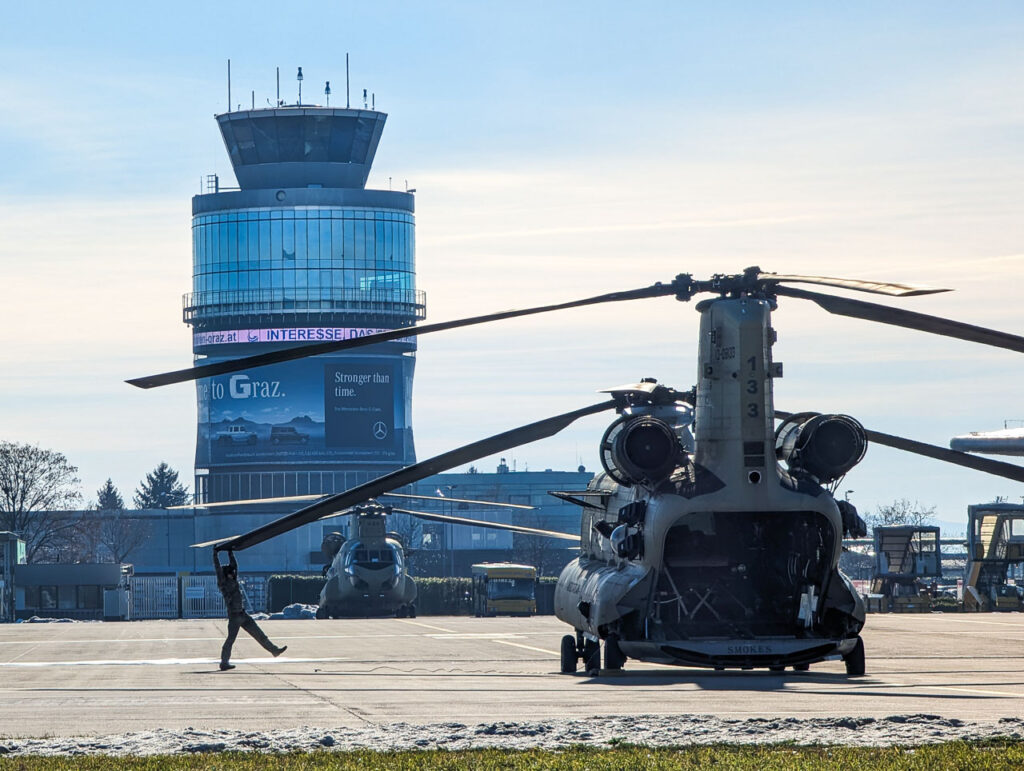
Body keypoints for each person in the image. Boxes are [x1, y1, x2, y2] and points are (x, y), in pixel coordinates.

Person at [214, 549, 286, 670]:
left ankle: (274, 650)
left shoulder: (233, 580)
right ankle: (224, 662)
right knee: (230, 640)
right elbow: (217, 569)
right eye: (231, 573)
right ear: (226, 574)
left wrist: (230, 553)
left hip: (242, 613)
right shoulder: (223, 583)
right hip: (234, 616)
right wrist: (215, 555)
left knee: (259, 634)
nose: (233, 574)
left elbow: (234, 566)